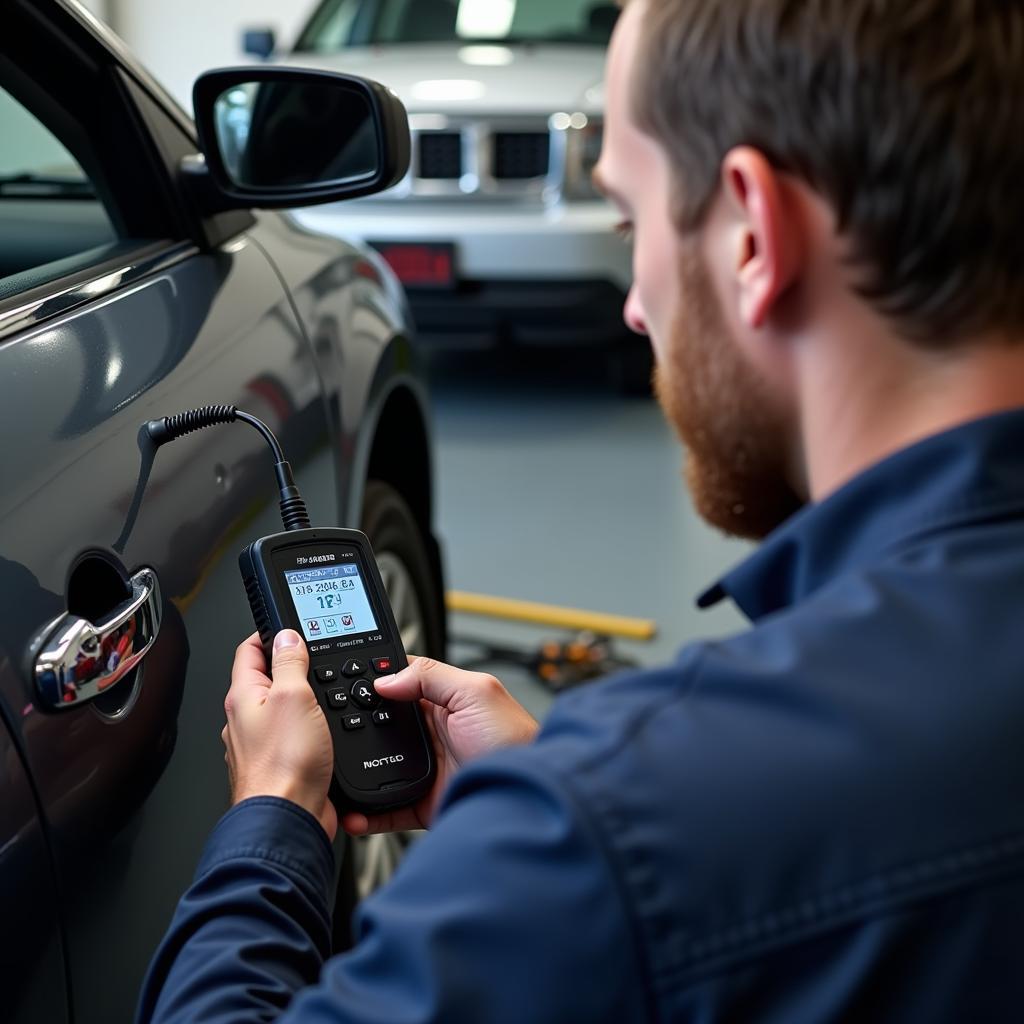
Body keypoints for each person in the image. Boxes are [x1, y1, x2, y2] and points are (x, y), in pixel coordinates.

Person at [138, 0, 1024, 1020]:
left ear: (749, 234)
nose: (635, 307)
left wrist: (271, 816)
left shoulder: (610, 831)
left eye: (631, 220)